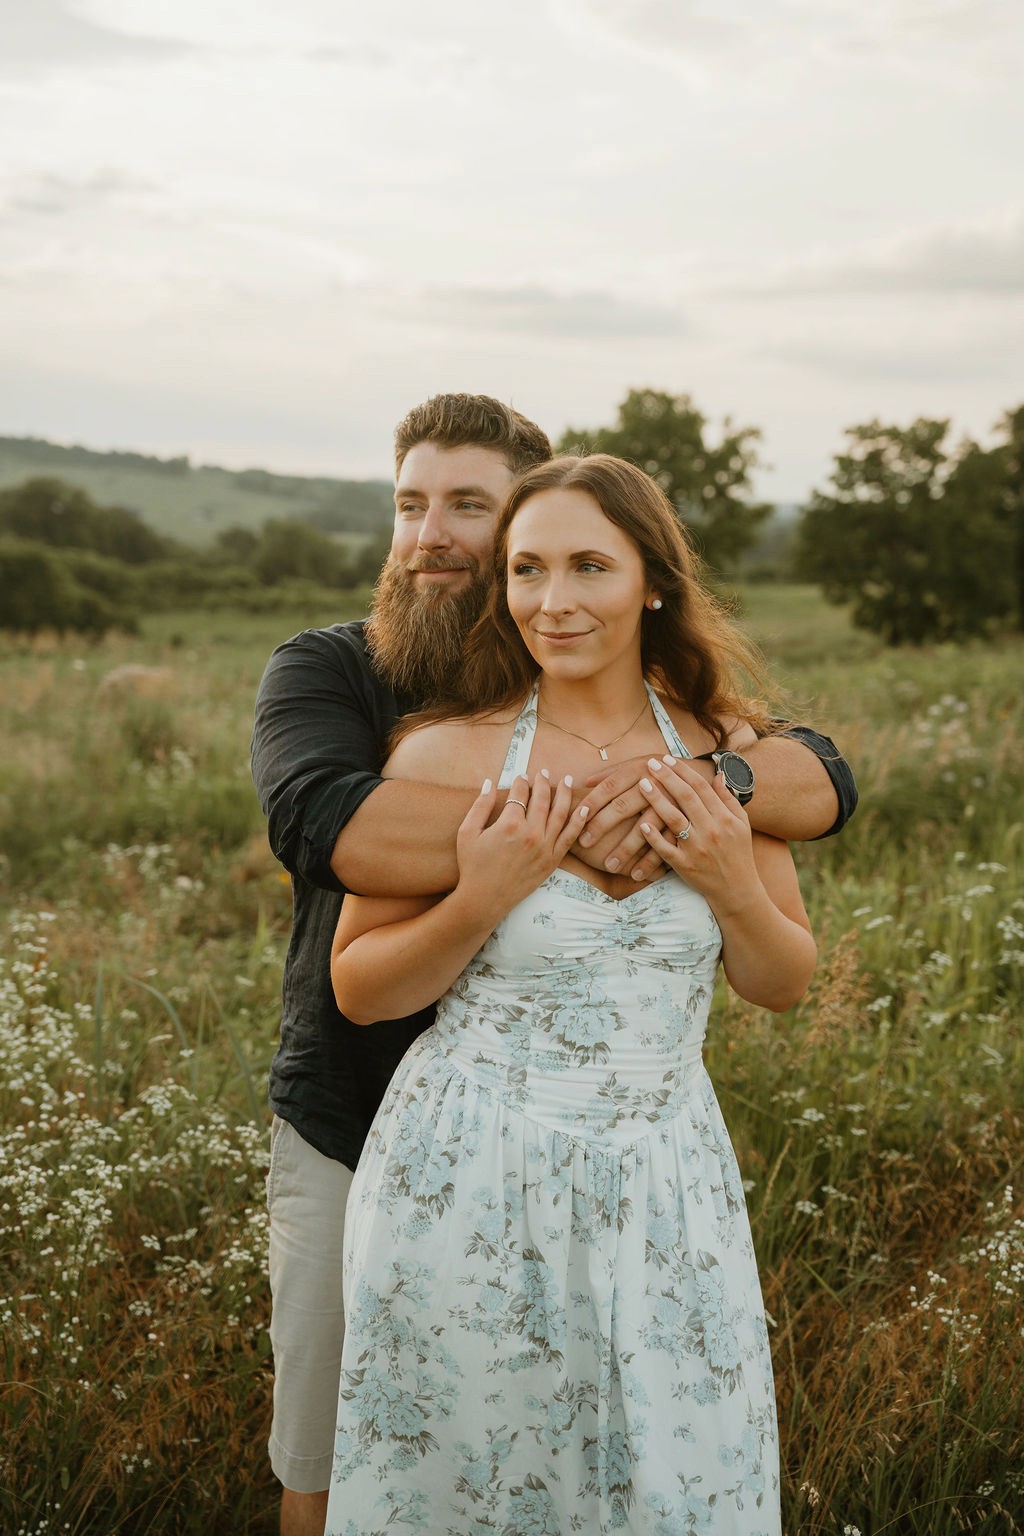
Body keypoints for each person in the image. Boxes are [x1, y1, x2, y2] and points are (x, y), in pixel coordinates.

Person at [250, 395, 857, 1536]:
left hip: (666, 1181)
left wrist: (727, 880)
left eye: (587, 566)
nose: (553, 599)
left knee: (666, 1479)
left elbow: (780, 979)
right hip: (461, 1171)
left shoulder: (727, 757)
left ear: (653, 580)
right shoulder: (436, 747)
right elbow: (361, 981)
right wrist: (484, 889)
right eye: (528, 571)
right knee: (452, 1479)